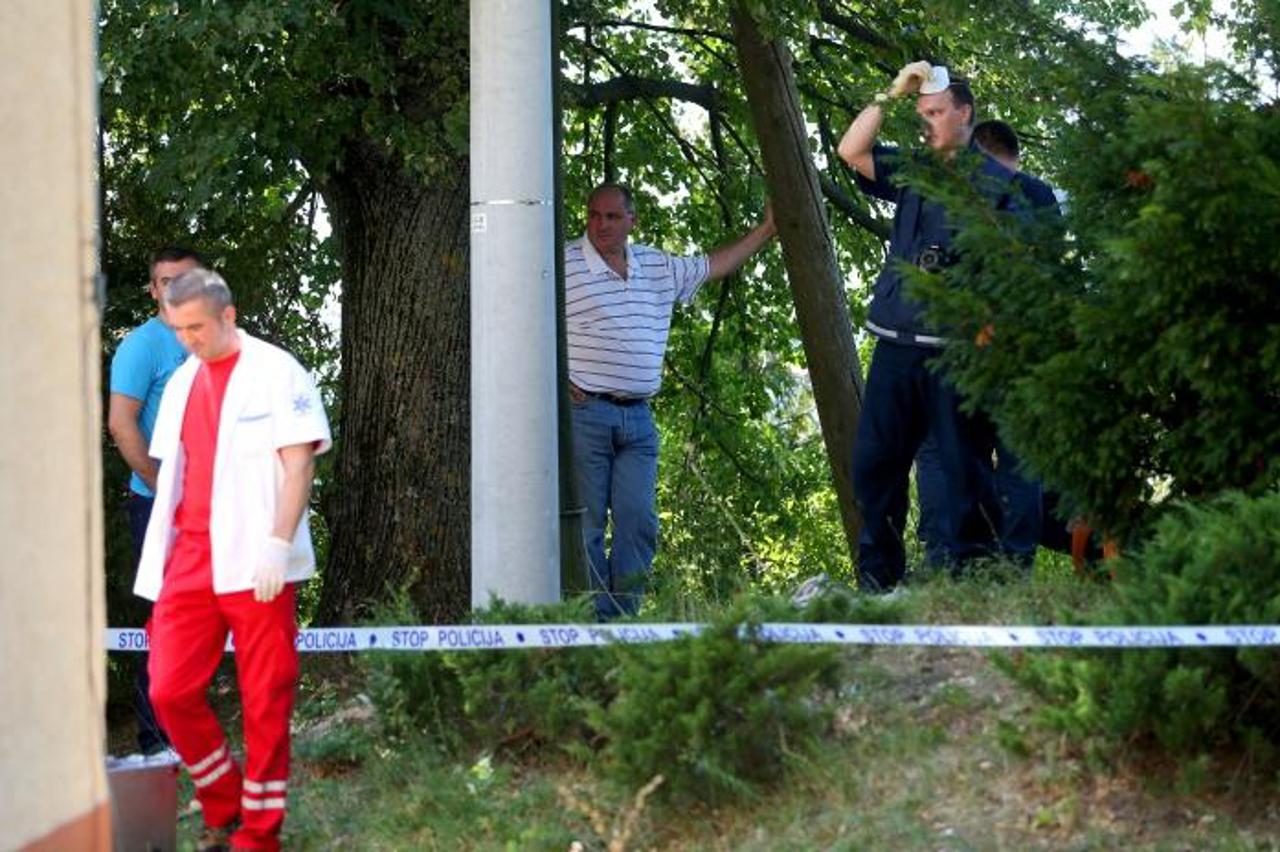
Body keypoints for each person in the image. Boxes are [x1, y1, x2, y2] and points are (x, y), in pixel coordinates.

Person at [135, 268, 331, 851]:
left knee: (266, 696)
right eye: (177, 329)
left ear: (228, 315)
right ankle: (224, 798)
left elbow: (300, 465)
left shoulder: (277, 371)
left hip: (257, 563)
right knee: (168, 690)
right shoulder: (180, 383)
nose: (187, 340)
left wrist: (278, 543)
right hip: (191, 559)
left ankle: (259, 834)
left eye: (195, 327)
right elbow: (178, 473)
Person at [838, 62, 1029, 592]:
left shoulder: (1001, 185)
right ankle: (878, 584)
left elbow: (1019, 268)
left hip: (956, 352)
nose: (927, 122)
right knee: (874, 465)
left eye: (936, 112)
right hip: (896, 344)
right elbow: (850, 151)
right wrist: (892, 92)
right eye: (921, 113)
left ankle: (971, 583)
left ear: (964, 115)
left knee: (962, 475)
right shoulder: (914, 170)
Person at [565, 182, 776, 618]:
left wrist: (767, 229)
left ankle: (624, 620)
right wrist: (551, 378)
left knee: (639, 522)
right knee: (586, 524)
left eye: (610, 217)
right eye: (593, 215)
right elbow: (522, 315)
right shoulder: (562, 262)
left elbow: (712, 266)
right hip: (586, 413)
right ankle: (597, 625)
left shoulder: (654, 264)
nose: (600, 225)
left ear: (631, 221)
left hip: (638, 419)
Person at [914, 120, 1061, 570]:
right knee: (1018, 457)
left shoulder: (944, 194)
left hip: (950, 345)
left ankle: (947, 561)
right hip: (1018, 348)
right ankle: (1015, 565)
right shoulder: (1038, 197)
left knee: (942, 451)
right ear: (1014, 155)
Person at [108, 245, 205, 756]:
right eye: (165, 281)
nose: (175, 289)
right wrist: (164, 489)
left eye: (185, 279)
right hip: (156, 504)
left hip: (211, 505)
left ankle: (193, 733)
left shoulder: (214, 341)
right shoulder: (142, 346)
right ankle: (156, 740)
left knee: (205, 618)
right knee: (163, 618)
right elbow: (121, 425)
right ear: (153, 289)